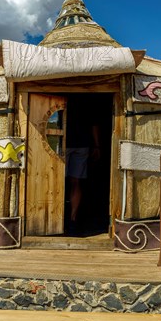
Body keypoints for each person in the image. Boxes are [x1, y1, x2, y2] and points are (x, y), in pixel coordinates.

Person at [65, 94, 100, 233]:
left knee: (56, 181)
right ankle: (72, 219)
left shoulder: (58, 92)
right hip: (81, 144)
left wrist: (97, 146)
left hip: (62, 142)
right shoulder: (88, 98)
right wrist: (97, 146)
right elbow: (94, 124)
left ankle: (63, 219)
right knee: (75, 182)